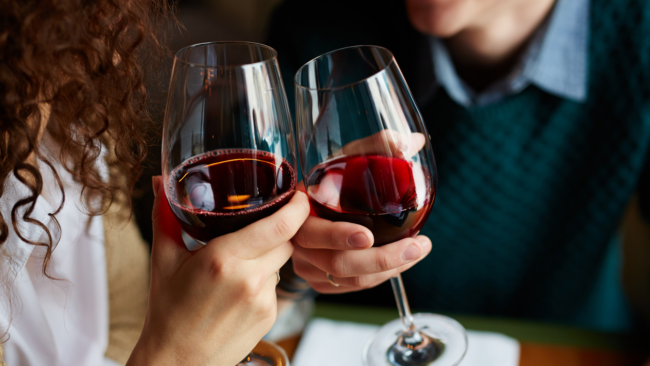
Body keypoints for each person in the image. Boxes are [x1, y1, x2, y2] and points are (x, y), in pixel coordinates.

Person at [267, 0, 650, 333]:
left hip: (576, 347)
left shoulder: (639, 31)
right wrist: (290, 268)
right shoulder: (314, 27)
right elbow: (255, 294)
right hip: (359, 341)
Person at [0, 1, 310, 365]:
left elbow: (128, 322)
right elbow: (159, 341)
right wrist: (176, 357)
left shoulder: (71, 117)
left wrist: (291, 264)